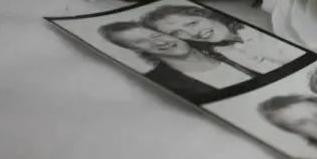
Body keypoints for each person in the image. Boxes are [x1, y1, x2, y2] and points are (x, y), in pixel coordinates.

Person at [98, 22, 253, 98]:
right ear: (135, 49)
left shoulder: (227, 46)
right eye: (141, 41)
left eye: (156, 35)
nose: (160, 42)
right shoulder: (159, 83)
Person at [142, 4, 304, 74]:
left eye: (192, 23)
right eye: (177, 33)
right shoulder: (218, 54)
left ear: (202, 14)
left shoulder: (256, 25)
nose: (193, 33)